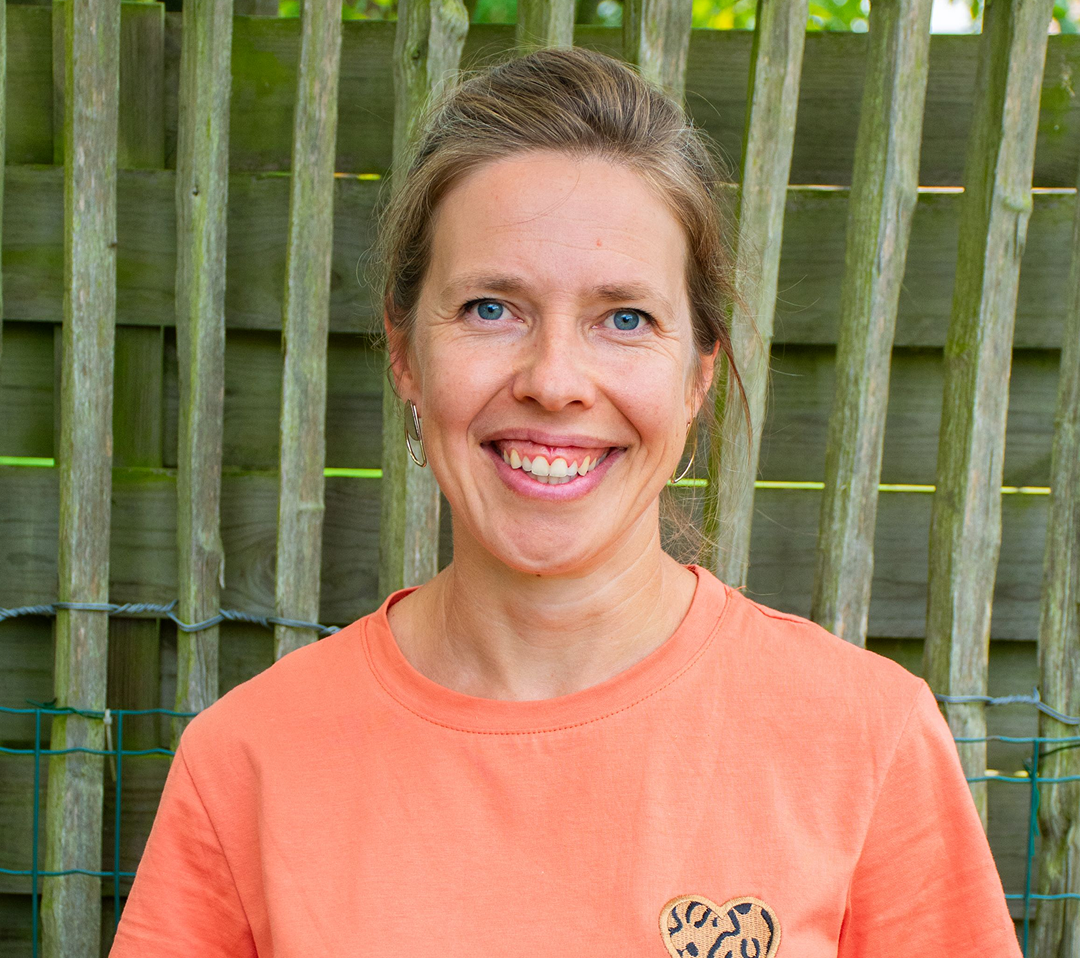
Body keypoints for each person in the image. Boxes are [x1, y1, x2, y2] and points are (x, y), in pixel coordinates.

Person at [111, 48, 1020, 957]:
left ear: (698, 374)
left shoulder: (866, 741)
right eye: (490, 309)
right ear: (404, 352)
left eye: (624, 319)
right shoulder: (248, 762)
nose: (553, 381)